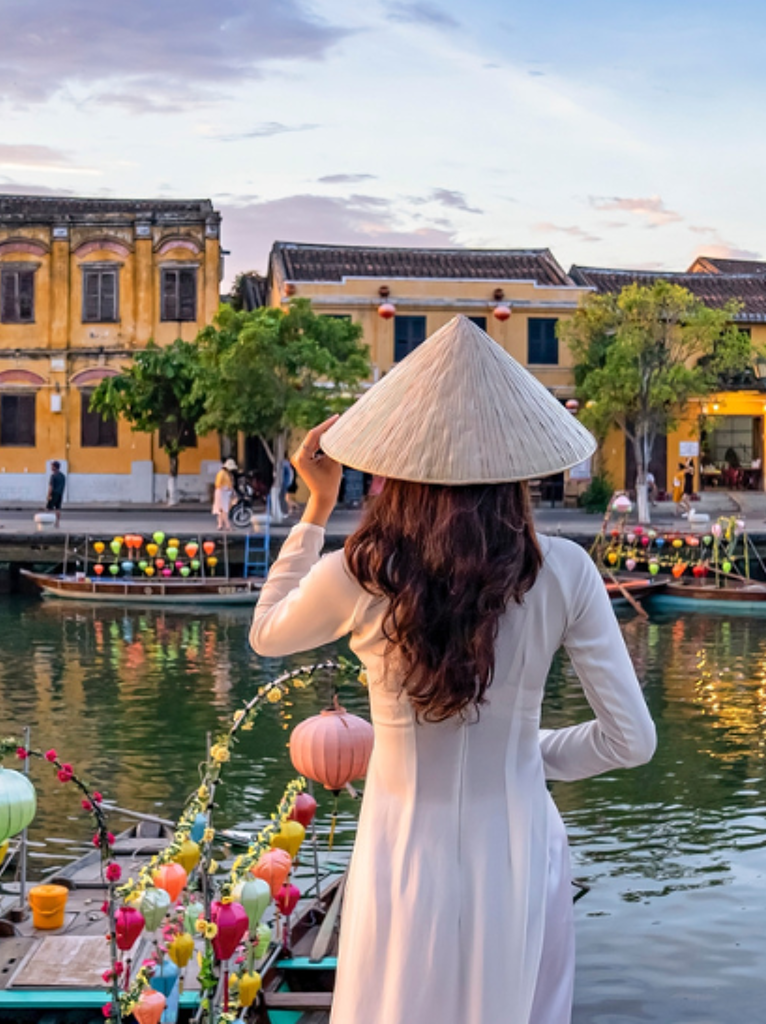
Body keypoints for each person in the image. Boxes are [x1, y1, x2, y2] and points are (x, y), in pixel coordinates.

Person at [250, 317, 654, 1024]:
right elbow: (632, 741)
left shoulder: (366, 571)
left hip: (402, 846)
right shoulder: (564, 569)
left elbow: (268, 632)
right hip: (522, 846)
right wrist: (526, 751)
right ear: (518, 465)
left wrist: (316, 504)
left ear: (400, 462)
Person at [214, 459, 237, 531]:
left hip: (225, 493)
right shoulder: (221, 473)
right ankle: (227, 526)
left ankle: (220, 525)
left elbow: (230, 484)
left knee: (222, 510)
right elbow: (218, 484)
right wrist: (224, 489)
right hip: (222, 492)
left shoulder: (228, 474)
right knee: (223, 510)